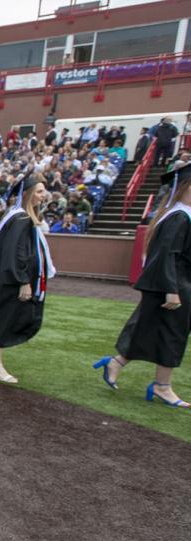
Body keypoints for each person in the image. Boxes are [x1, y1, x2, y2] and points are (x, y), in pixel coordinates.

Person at [95, 160, 191, 407]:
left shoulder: (177, 214)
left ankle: (117, 363)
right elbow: (168, 254)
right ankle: (162, 386)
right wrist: (172, 290)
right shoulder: (179, 216)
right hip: (175, 284)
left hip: (173, 282)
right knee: (172, 335)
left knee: (150, 328)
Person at [0, 175, 55, 383]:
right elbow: (17, 253)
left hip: (10, 277)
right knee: (4, 319)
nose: (43, 195)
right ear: (27, 194)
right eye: (39, 191)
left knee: (1, 316)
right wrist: (23, 280)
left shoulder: (18, 216)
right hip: (14, 280)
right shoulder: (21, 219)